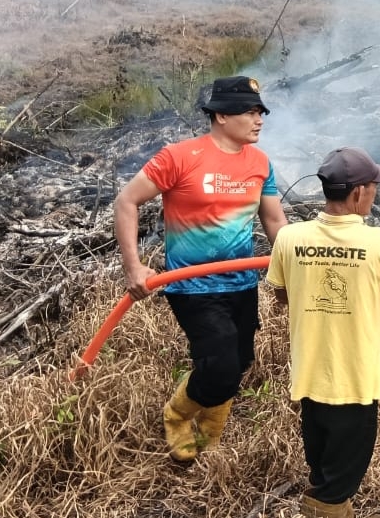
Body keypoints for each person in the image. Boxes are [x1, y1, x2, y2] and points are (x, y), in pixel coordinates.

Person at [112, 76, 288, 462]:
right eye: (250, 112)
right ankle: (177, 414)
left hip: (242, 283)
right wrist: (135, 267)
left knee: (239, 362)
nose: (259, 120)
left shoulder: (260, 164)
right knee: (222, 364)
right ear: (221, 115)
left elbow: (275, 222)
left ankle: (211, 429)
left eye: (261, 112)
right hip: (192, 286)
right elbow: (127, 202)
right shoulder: (178, 157)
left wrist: (292, 267)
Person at [265, 147, 380, 518]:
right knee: (339, 480)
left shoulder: (289, 239)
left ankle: (328, 502)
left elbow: (282, 294)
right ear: (359, 192)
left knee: (323, 462)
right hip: (355, 380)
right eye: (374, 186)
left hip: (309, 376)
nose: (375, 193)